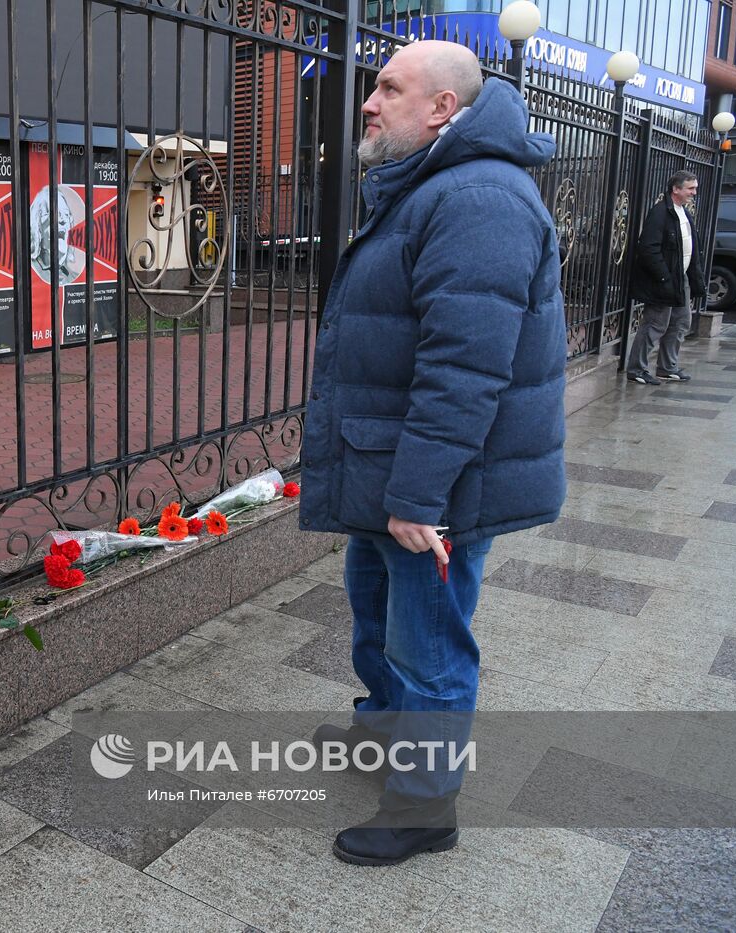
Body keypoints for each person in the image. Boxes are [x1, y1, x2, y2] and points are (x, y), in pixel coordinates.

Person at [297, 41, 567, 866]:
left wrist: (418, 495)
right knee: (376, 611)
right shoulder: (432, 184)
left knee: (429, 644)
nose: (368, 104)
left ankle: (423, 808)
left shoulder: (479, 197)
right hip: (394, 472)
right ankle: (382, 729)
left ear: (442, 108)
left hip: (434, 488)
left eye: (388, 89)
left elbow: (464, 367)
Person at [626, 171, 706, 384]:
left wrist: (694, 278)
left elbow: (691, 249)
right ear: (676, 189)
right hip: (663, 282)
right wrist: (664, 277)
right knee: (655, 324)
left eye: (695, 188)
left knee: (680, 322)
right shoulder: (660, 213)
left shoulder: (684, 213)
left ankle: (667, 367)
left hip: (680, 280)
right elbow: (648, 249)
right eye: (690, 188)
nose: (694, 193)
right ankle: (636, 370)